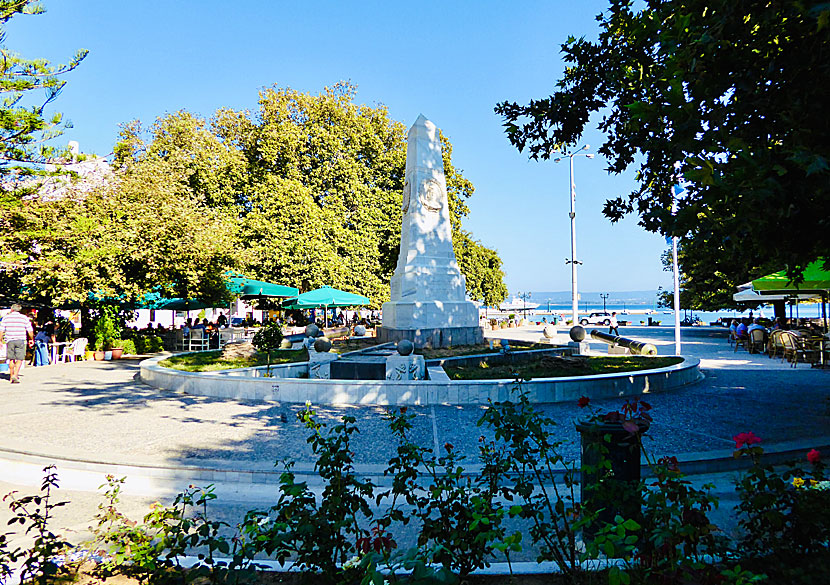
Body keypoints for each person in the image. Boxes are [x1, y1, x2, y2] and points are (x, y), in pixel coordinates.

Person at [0, 304, 34, 384]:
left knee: (11, 359)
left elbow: (1, 330)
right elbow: (30, 330)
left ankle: (11, 375)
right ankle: (15, 374)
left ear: (11, 310)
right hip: (21, 340)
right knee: (19, 359)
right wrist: (31, 339)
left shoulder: (6, 318)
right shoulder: (24, 318)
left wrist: (0, 340)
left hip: (10, 340)